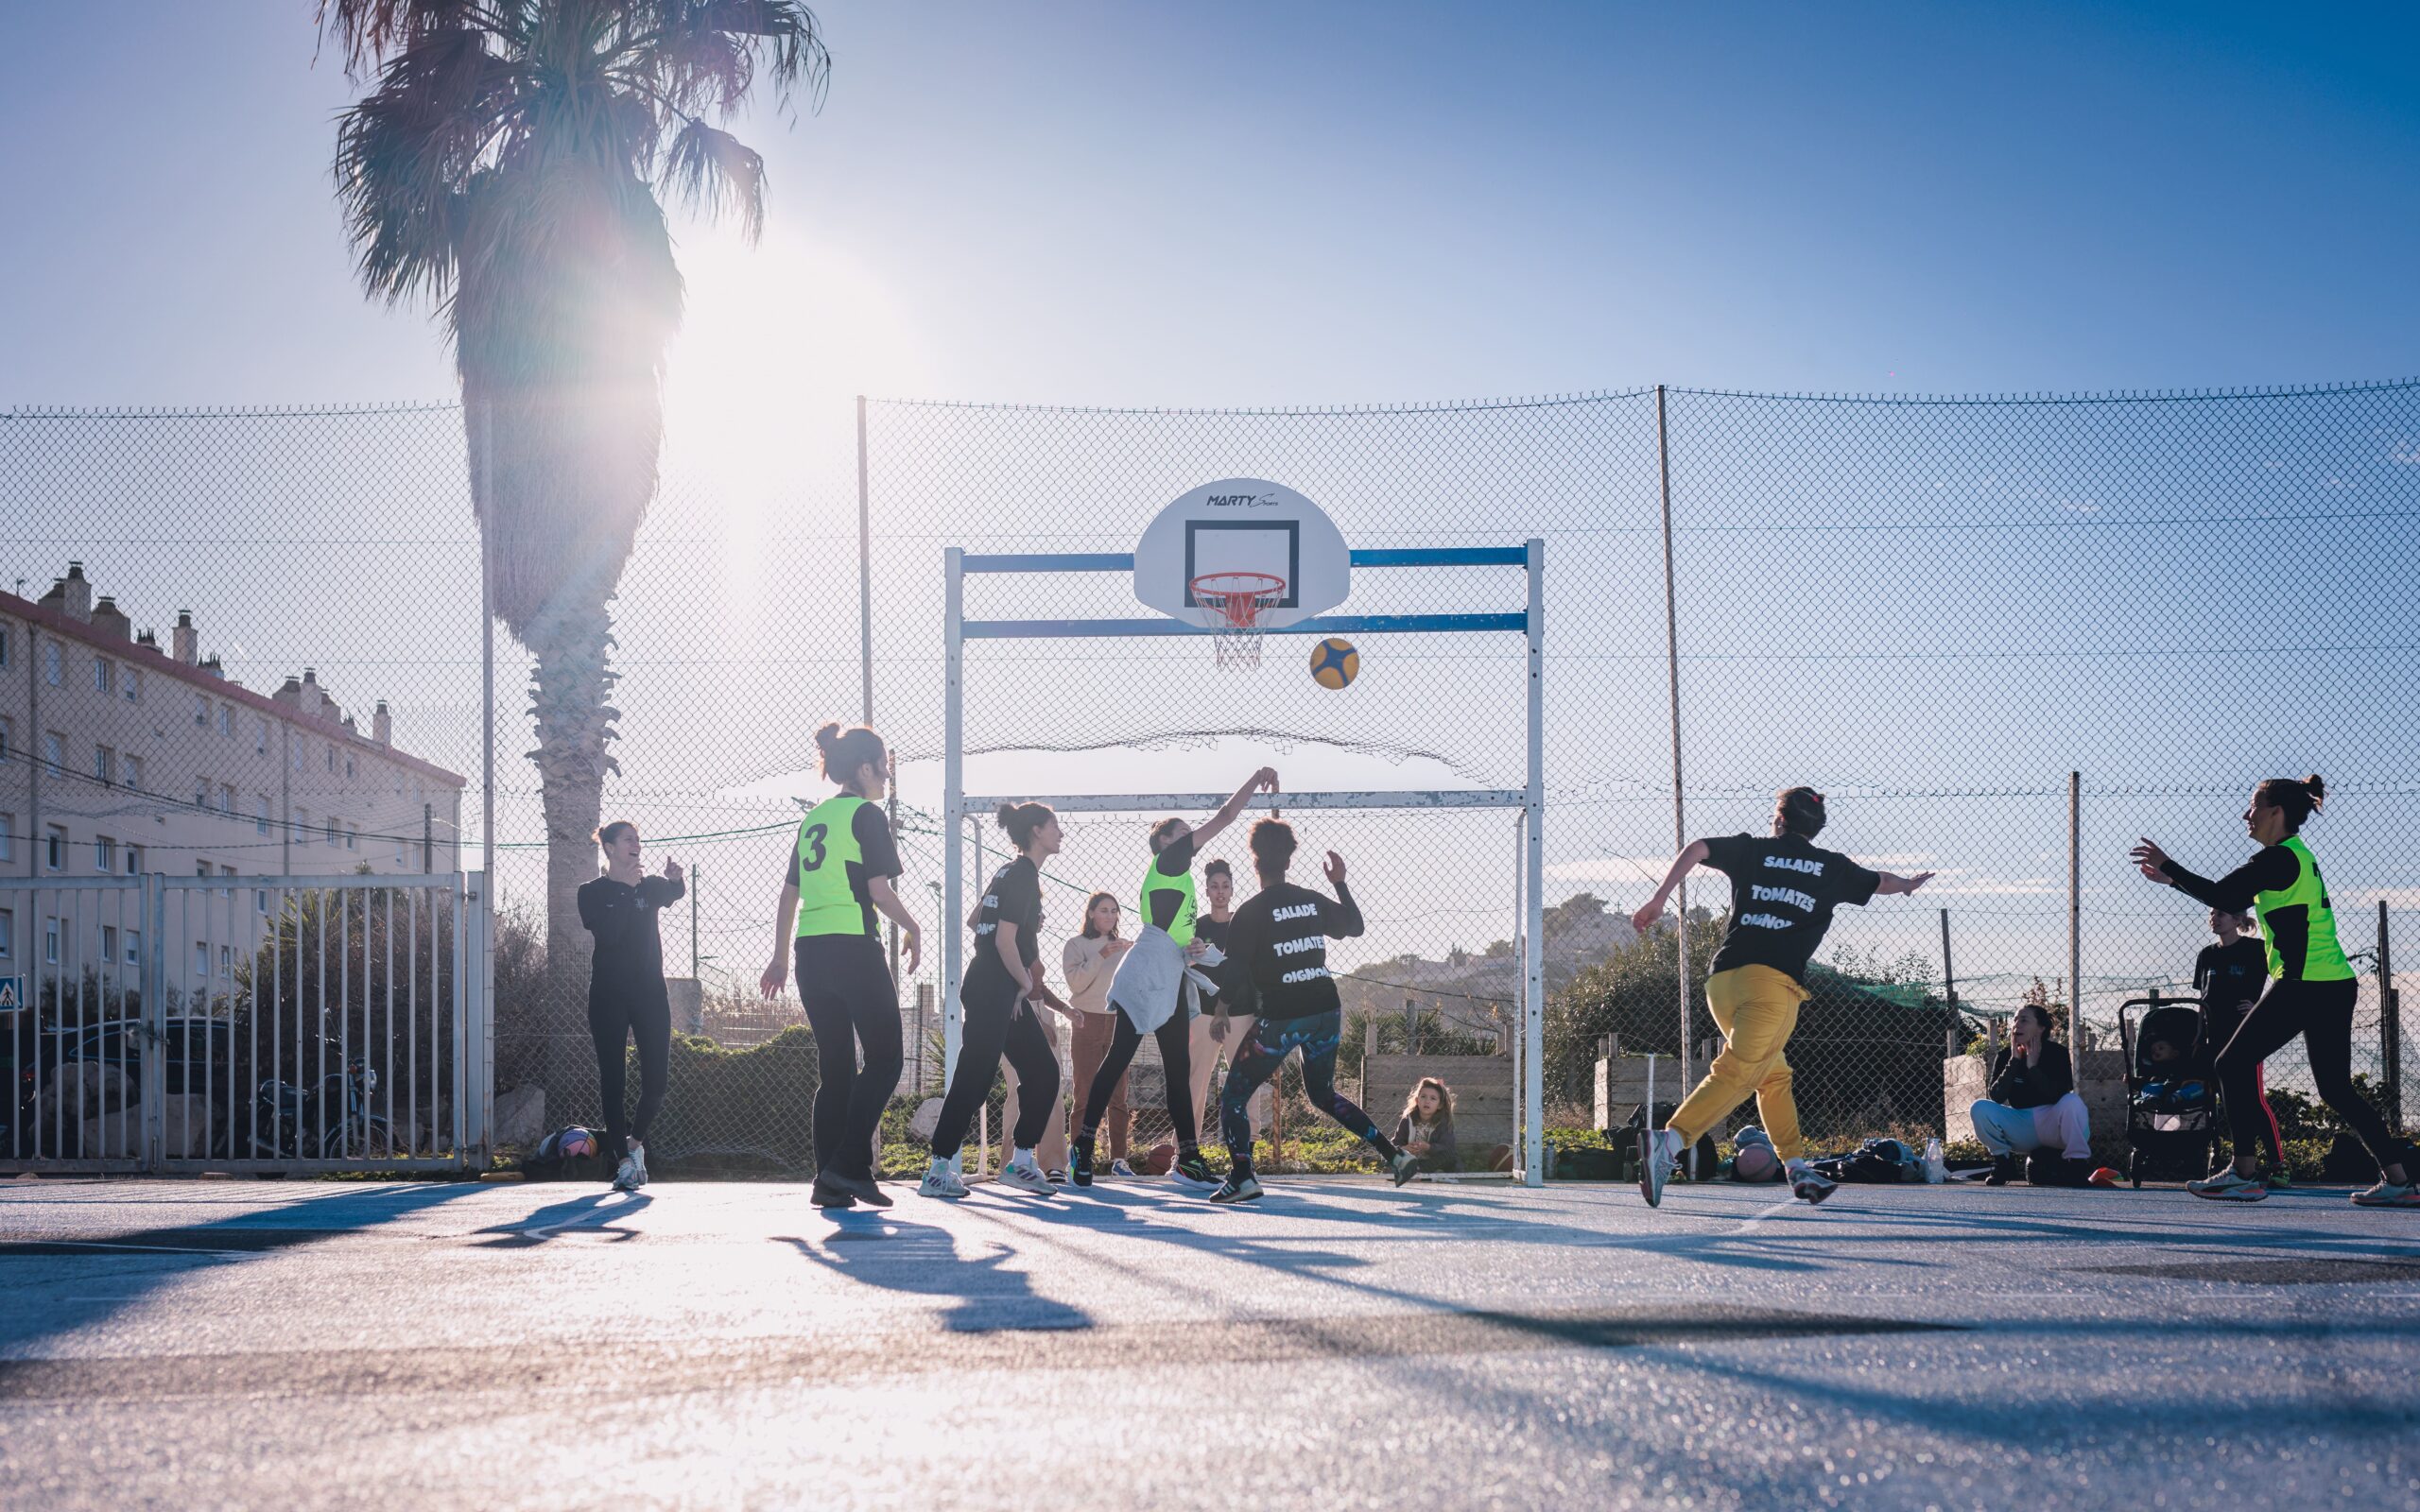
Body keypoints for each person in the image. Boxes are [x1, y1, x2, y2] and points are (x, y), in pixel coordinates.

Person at [1628, 787, 1935, 1208]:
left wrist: (1660, 898)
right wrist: (1906, 885)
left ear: (1778, 820)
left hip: (1724, 981)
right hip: (1772, 988)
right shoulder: (1832, 867)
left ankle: (1795, 1166)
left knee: (1773, 1075)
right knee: (1737, 1071)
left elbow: (1697, 847)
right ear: (1817, 828)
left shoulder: (1752, 850)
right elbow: (1880, 881)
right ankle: (1669, 1144)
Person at [2133, 775, 2415, 1206]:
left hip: (2305, 985)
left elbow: (2225, 894)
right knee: (2336, 1089)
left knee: (2230, 1062)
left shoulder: (2278, 859)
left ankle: (2244, 1173)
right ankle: (2398, 1181)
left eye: (2253, 806)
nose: (2246, 815)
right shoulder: (2292, 858)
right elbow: (2252, 905)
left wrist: (2170, 869)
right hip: (2333, 983)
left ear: (2275, 813)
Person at [1072, 767, 1279, 1190]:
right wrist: (1254, 779)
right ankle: (1083, 1146)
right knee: (1116, 1062)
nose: (1190, 836)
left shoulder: (1179, 879)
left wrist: (1192, 949)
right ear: (1167, 843)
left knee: (1178, 1066)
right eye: (1183, 832)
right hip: (1145, 977)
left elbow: (1174, 936)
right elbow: (1223, 817)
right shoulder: (1168, 862)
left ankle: (1188, 1158)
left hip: (1167, 980)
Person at [1209, 822, 1418, 1203]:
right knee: (1322, 1094)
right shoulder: (1310, 898)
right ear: (1290, 859)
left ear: (1252, 859)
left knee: (1234, 1098)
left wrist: (1221, 1008)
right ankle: (1396, 1156)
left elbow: (1236, 973)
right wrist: (1339, 882)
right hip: (1326, 1010)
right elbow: (1354, 926)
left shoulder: (1250, 912)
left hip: (1284, 1018)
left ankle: (1242, 1177)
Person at [760, 724, 922, 1212]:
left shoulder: (814, 819)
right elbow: (877, 891)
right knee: (887, 1058)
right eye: (884, 767)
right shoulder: (866, 814)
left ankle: (826, 1180)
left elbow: (790, 893)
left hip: (811, 953)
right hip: (853, 946)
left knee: (836, 1072)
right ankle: (850, 1165)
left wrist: (780, 956)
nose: (888, 776)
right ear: (864, 768)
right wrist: (915, 925)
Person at [924, 803, 1067, 1200]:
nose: (1061, 832)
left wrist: (1018, 953)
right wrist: (1023, 983)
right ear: (1037, 831)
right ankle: (937, 1170)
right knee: (975, 1076)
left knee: (1042, 1072)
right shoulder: (1022, 875)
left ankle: (1022, 1162)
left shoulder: (1010, 872)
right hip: (994, 985)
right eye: (1055, 825)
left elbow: (977, 920)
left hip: (996, 984)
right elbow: (1002, 941)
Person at [577, 821, 683, 1192]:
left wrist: (676, 878)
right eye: (628, 840)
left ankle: (633, 1145)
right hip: (608, 995)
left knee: (657, 1082)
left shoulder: (650, 886)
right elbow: (609, 933)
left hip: (650, 993)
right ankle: (621, 1162)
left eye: (638, 839)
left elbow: (674, 894)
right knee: (613, 1080)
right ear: (608, 848)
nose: (636, 845)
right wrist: (624, 890)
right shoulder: (591, 892)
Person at [2194, 908, 2286, 1184]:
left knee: (2254, 1101)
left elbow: (2284, 979)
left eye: (2221, 914)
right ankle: (2239, 1166)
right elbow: (2202, 999)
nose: (2214, 918)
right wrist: (2198, 1037)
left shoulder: (2257, 950)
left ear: (2237, 920)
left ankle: (2279, 1166)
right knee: (2227, 1102)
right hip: (2215, 1038)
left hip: (2246, 1035)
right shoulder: (2206, 955)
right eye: (2211, 913)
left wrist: (2261, 1008)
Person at [1967, 1003, 2093, 1185]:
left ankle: (2077, 1166)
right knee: (1979, 1108)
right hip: (2022, 1125)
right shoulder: (2005, 1055)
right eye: (2015, 1020)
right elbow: (1996, 1097)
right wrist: (2014, 1062)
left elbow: (2056, 1095)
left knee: (2072, 1101)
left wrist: (2033, 1067)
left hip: (2054, 1126)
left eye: (2024, 1020)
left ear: (2041, 1028)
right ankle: (2004, 1164)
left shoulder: (2057, 1053)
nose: (2016, 1025)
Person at [1063, 894, 1140, 1178]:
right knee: (1084, 1092)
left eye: (1114, 911)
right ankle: (1080, 1155)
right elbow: (1077, 983)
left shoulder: (1125, 948)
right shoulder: (1077, 945)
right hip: (1087, 1020)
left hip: (1120, 1020)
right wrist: (1101, 956)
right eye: (1104, 910)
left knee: (1119, 1095)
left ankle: (1119, 1160)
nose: (1110, 916)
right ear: (1092, 913)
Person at [1188, 858, 1260, 1147]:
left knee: (1245, 1079)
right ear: (1206, 891)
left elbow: (1253, 966)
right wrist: (1190, 951)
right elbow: (1182, 963)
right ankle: (1187, 1148)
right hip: (1203, 1012)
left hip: (1240, 1012)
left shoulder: (1243, 924)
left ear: (1231, 891)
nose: (1220, 891)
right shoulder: (1194, 925)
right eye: (1214, 886)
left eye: (1225, 886)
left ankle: (1249, 1144)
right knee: (1195, 1081)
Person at [1392, 1076, 1460, 1173]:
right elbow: (1395, 1143)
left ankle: (1418, 1172)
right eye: (1423, 1097)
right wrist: (1405, 1148)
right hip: (1411, 1160)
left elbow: (1448, 1147)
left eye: (1433, 1098)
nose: (1427, 1101)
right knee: (1390, 1155)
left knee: (1450, 1156)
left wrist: (1429, 1147)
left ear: (1440, 1105)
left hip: (1433, 1162)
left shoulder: (1443, 1122)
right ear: (1417, 1100)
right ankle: (1416, 1173)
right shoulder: (1407, 1120)